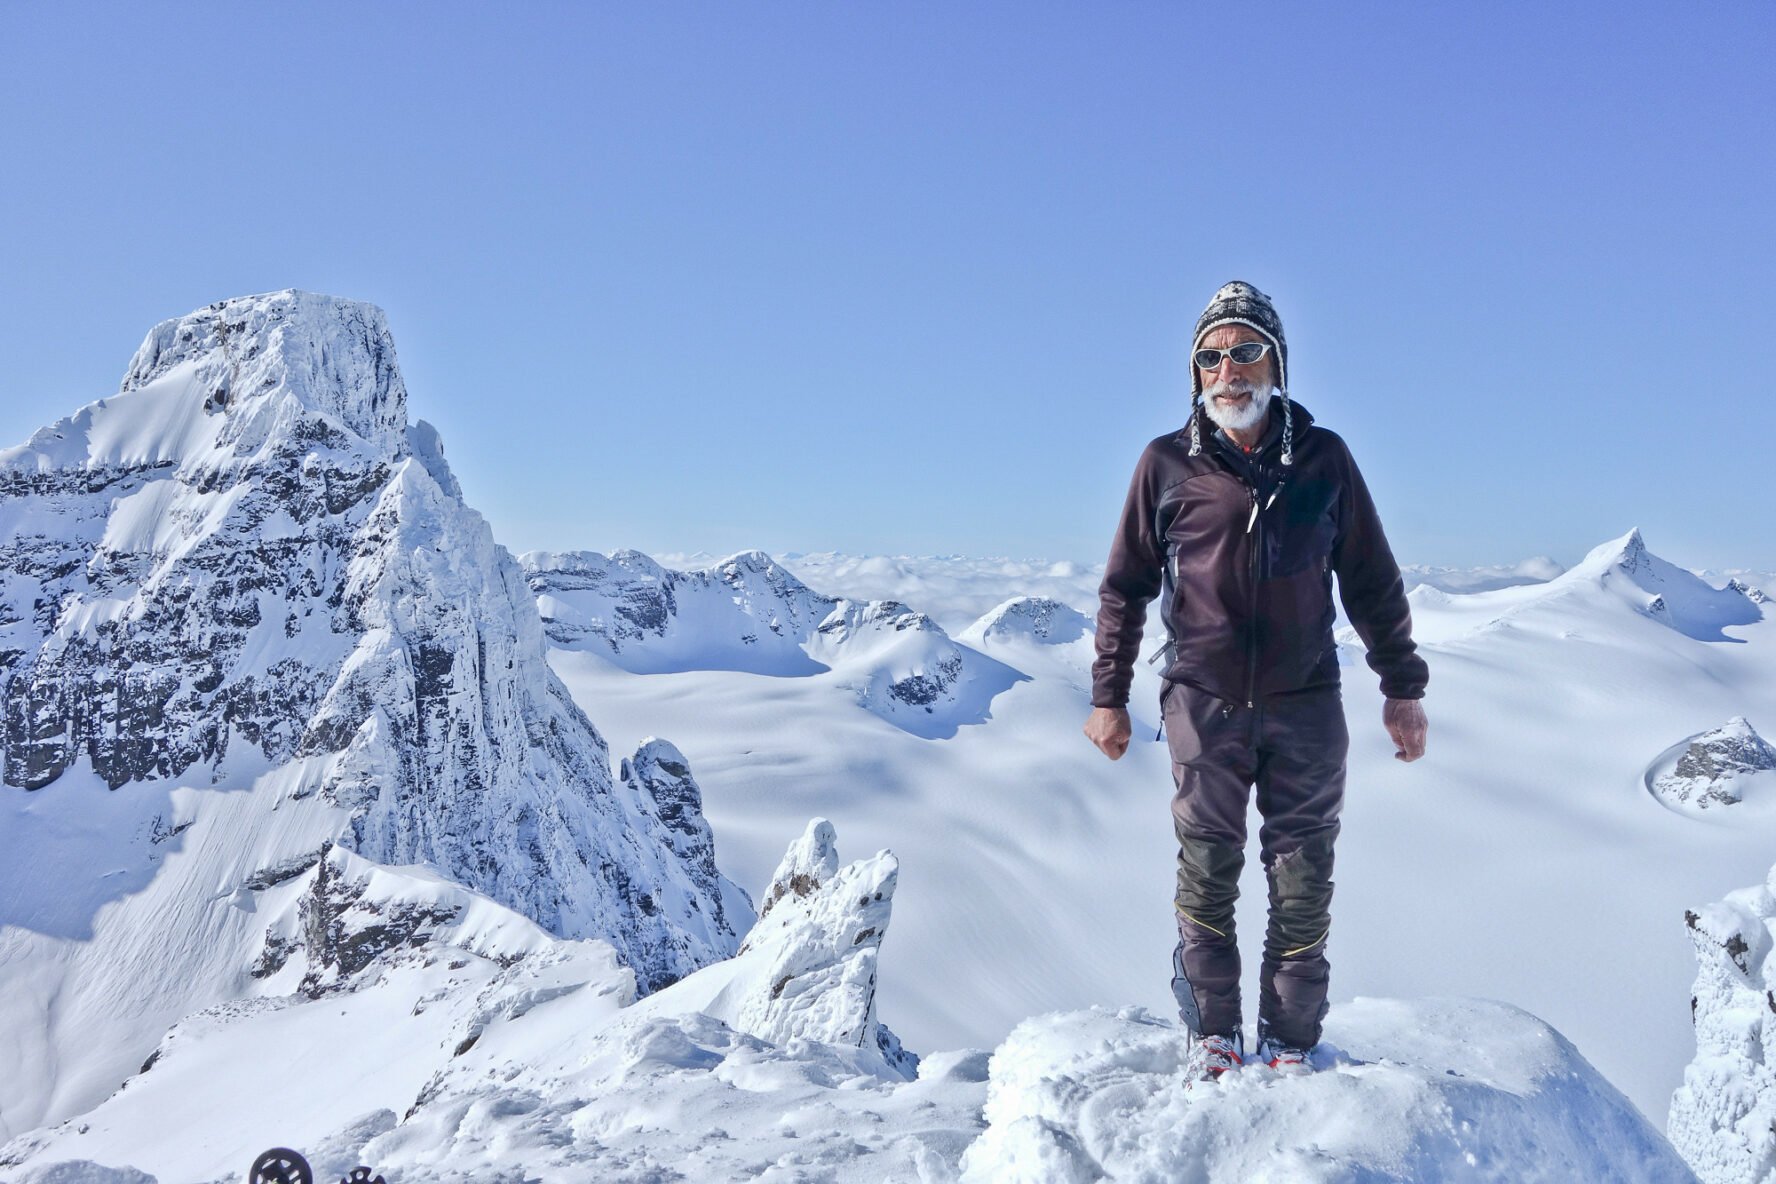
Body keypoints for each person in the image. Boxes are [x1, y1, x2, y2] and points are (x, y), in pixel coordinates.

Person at [1083, 280, 1428, 1079]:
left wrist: (1402, 687)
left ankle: (1289, 1042)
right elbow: (1124, 586)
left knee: (1302, 877)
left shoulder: (1325, 459)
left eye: (1245, 351)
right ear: (1194, 374)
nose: (1227, 371)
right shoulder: (1165, 464)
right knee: (1207, 871)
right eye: (1210, 358)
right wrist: (1108, 696)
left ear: (1277, 363)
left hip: (1305, 702)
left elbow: (1371, 580)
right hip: (1202, 703)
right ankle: (1214, 1033)